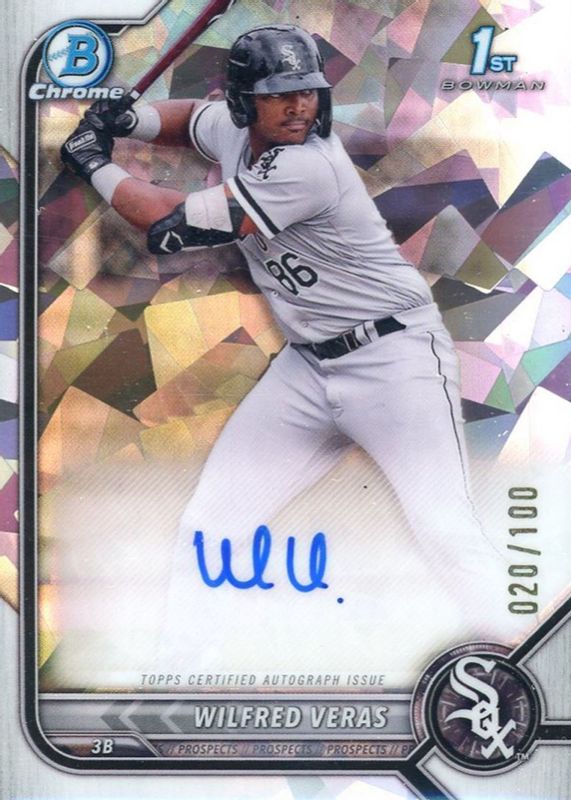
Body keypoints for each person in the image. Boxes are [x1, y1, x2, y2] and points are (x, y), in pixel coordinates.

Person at [61, 24, 512, 644]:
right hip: (305, 368)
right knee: (210, 528)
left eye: (307, 91)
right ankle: (178, 675)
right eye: (279, 94)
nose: (300, 106)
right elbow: (192, 118)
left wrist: (94, 163)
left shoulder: (308, 165)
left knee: (444, 529)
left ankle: (516, 662)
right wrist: (132, 120)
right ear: (244, 102)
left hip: (394, 362)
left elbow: (170, 223)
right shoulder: (236, 128)